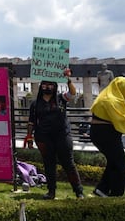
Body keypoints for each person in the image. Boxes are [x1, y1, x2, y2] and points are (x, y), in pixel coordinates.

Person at [24, 70, 84, 199]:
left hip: (62, 135)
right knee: (49, 164)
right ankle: (51, 192)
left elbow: (72, 93)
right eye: (44, 85)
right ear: (41, 87)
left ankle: (78, 191)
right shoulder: (35, 104)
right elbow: (31, 122)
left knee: (68, 163)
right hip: (44, 138)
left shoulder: (62, 99)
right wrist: (29, 137)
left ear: (55, 86)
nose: (47, 87)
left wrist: (68, 80)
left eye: (50, 85)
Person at [89, 76, 125, 197]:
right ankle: (117, 194)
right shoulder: (111, 100)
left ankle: (102, 189)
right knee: (120, 164)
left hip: (100, 132)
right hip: (106, 133)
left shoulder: (105, 95)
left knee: (113, 162)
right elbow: (119, 118)